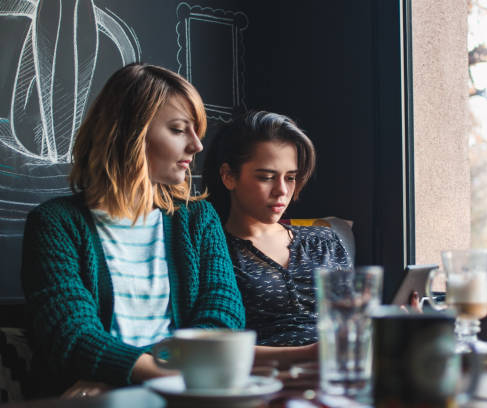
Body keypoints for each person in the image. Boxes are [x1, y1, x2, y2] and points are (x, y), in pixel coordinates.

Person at [20, 63, 245, 398]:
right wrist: (150, 372)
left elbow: (223, 319)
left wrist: (126, 374)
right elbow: (72, 333)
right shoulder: (55, 224)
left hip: (176, 394)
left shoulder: (199, 219)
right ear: (130, 132)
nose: (197, 146)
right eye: (179, 129)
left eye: (196, 131)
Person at [202, 110, 352, 368]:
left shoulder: (323, 240)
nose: (282, 191)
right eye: (266, 177)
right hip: (268, 378)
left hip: (343, 369)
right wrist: (307, 353)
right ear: (229, 176)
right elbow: (211, 346)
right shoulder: (216, 251)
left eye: (291, 177)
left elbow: (351, 319)